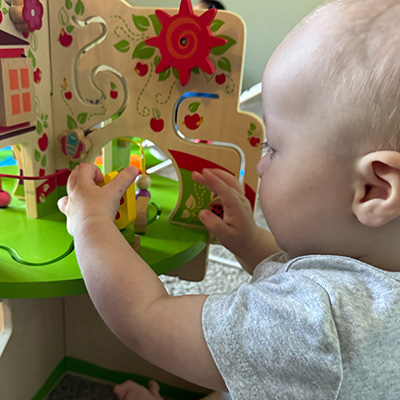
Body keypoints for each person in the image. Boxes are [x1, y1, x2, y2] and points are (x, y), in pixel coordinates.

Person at [58, 0, 400, 398]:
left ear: (374, 189)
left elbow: (146, 321)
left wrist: (91, 224)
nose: (259, 166)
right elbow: (323, 273)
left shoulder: (312, 323)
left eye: (273, 148)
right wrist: (252, 242)